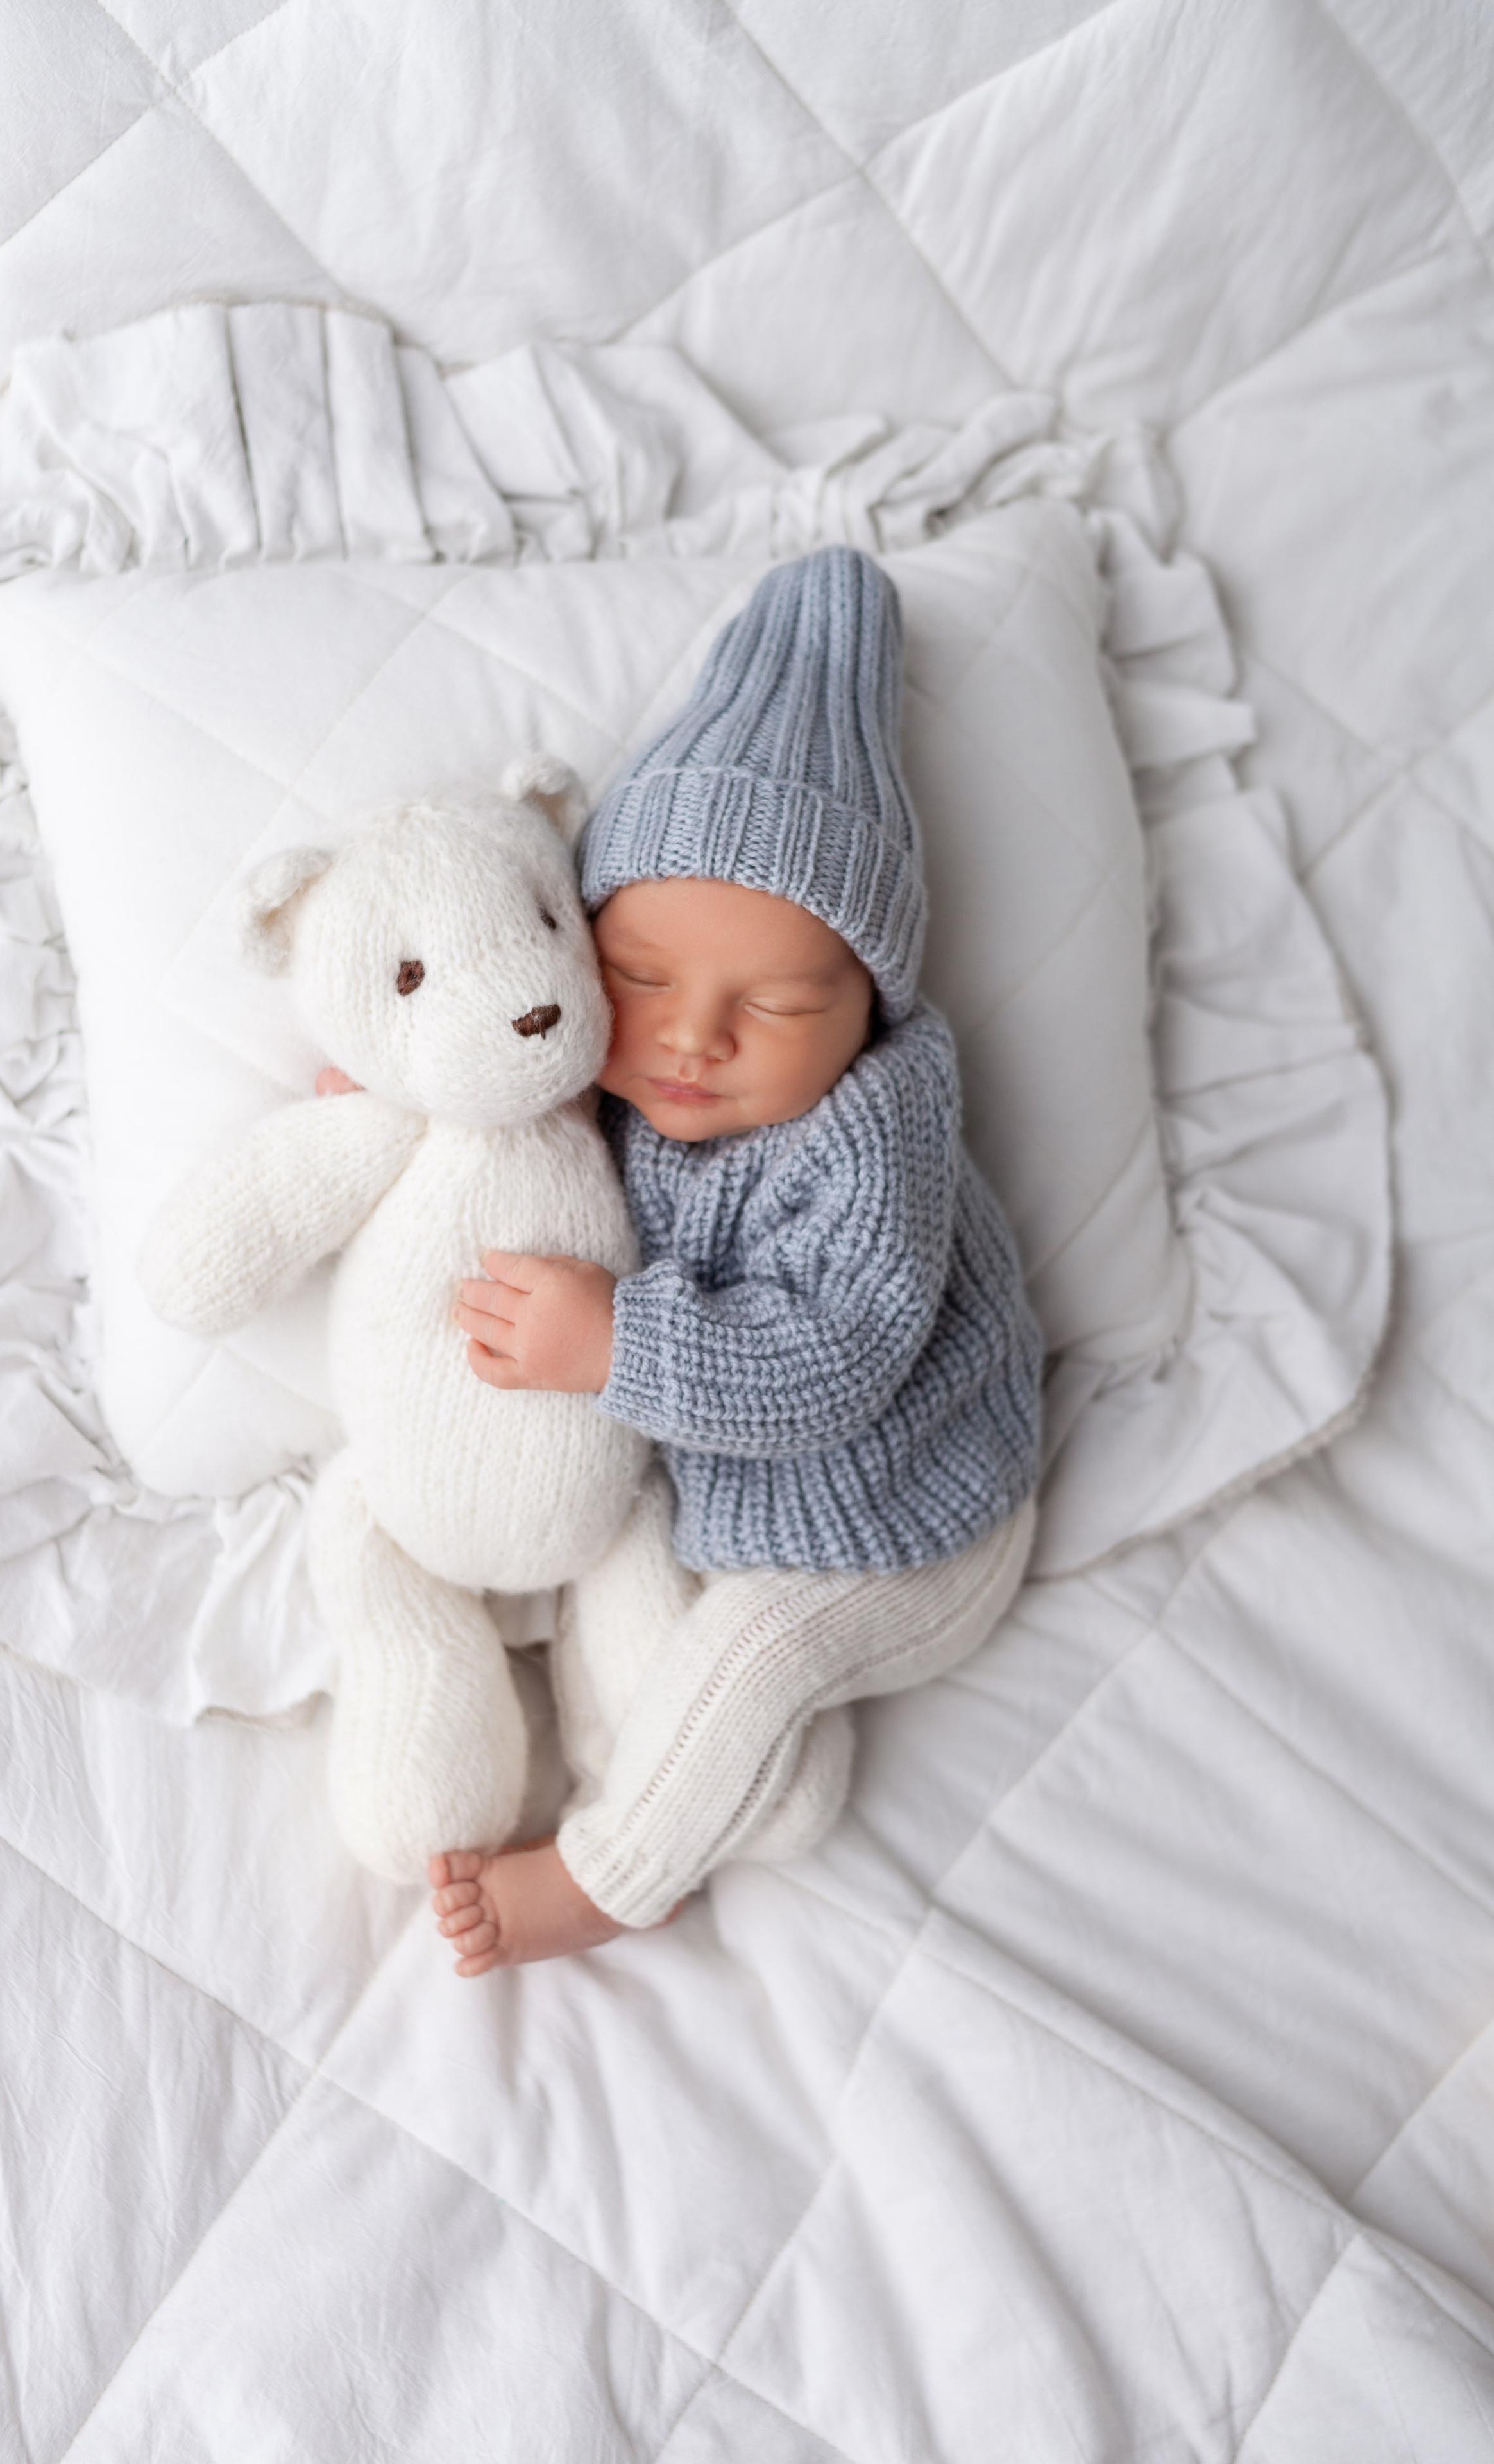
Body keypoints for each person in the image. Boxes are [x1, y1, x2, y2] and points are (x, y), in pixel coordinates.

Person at [430, 544, 1044, 1972]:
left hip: (911, 1512)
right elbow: (545, 1089)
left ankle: (608, 1876)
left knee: (753, 1656)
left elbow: (830, 1360)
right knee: (628, 1592)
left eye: (769, 1002)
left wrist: (615, 1346)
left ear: (868, 1011)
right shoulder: (645, 1077)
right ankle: (715, 1792)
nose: (692, 1039)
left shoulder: (868, 1138)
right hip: (739, 1492)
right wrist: (423, 1104)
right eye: (640, 980)